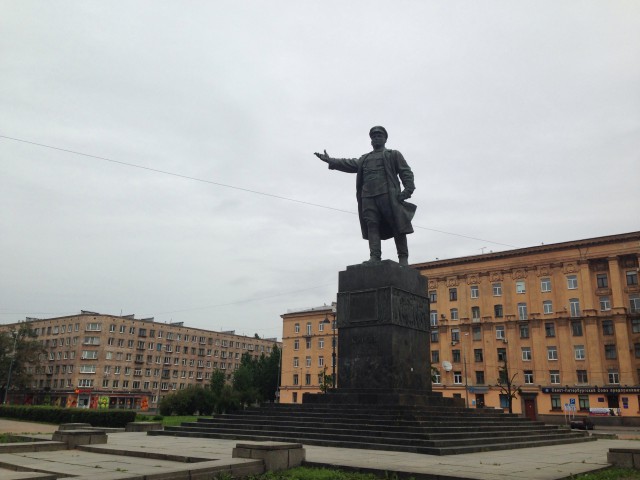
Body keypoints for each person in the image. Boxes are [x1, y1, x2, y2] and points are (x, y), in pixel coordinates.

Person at [314, 126, 416, 266]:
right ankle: (375, 256)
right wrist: (330, 160)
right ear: (371, 140)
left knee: (397, 225)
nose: (376, 138)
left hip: (388, 195)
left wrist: (408, 190)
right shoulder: (365, 158)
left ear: (385, 139)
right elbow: (349, 163)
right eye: (373, 136)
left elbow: (406, 172)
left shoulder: (393, 154)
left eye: (379, 135)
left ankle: (403, 258)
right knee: (372, 225)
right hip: (367, 197)